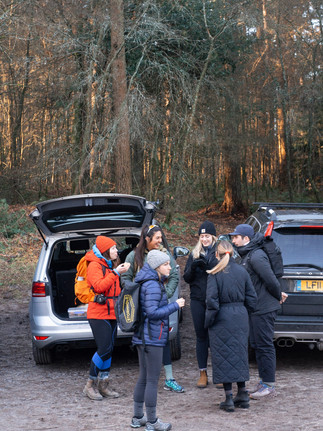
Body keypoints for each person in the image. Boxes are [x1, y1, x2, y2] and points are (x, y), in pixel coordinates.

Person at [122, 224, 184, 393]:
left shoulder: (165, 255)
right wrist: (136, 294)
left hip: (160, 304)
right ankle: (148, 382)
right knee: (145, 342)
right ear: (147, 239)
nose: (160, 241)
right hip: (141, 309)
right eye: (157, 238)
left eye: (160, 238)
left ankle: (169, 378)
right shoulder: (133, 256)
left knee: (162, 338)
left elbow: (173, 276)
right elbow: (125, 279)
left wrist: (166, 292)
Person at [229, 224, 288, 399]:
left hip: (264, 309)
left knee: (265, 346)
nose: (233, 240)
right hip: (256, 309)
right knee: (258, 346)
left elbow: (270, 279)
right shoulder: (249, 255)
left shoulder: (256, 256)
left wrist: (278, 295)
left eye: (236, 237)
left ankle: (269, 385)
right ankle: (263, 382)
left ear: (246, 238)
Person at [131, 250, 185, 430]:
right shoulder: (153, 285)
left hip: (142, 337)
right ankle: (152, 422)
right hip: (152, 338)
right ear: (156, 267)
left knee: (144, 378)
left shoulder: (145, 281)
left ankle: (138, 418)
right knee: (152, 380)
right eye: (166, 264)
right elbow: (152, 313)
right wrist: (174, 306)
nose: (170, 267)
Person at [205, 240, 257, 412]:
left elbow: (212, 302)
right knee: (239, 354)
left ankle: (228, 397)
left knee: (224, 356)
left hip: (221, 318)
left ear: (217, 255)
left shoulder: (214, 274)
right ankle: (242, 393)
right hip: (240, 317)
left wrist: (209, 321)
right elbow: (252, 299)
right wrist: (242, 312)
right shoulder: (242, 271)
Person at [83, 235, 130, 400]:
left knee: (109, 349)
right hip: (98, 313)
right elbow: (98, 287)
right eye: (113, 248)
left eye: (116, 248)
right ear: (105, 251)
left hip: (111, 313)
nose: (117, 251)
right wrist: (116, 272)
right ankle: (90, 385)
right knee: (103, 349)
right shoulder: (95, 265)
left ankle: (104, 385)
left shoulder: (110, 264)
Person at [183, 220, 218, 388]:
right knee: (201, 336)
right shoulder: (194, 253)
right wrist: (193, 267)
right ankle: (203, 372)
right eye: (202, 236)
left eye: (207, 236)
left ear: (213, 237)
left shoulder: (219, 252)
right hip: (198, 300)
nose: (204, 239)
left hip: (215, 300)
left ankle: (219, 372)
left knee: (217, 336)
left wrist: (210, 265)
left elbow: (225, 272)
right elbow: (186, 278)